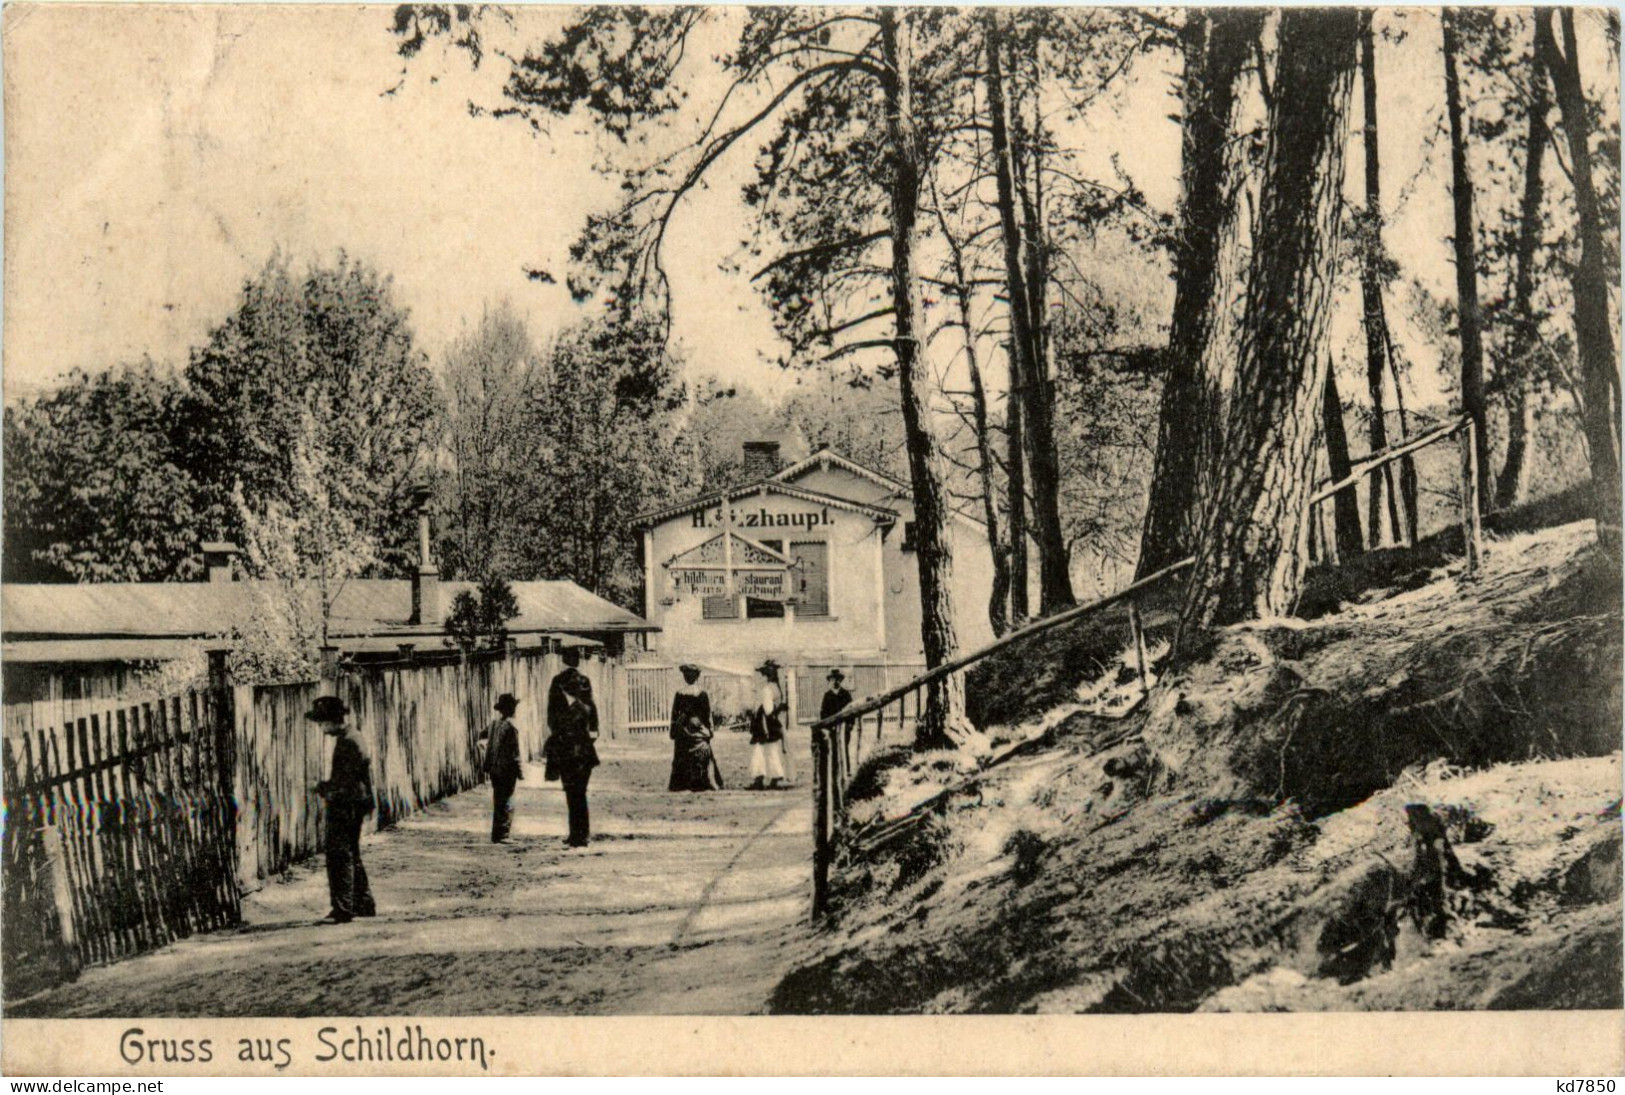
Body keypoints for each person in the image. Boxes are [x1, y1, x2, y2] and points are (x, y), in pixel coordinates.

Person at [309, 695, 376, 924]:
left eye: (321, 722)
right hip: (356, 802)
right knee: (351, 853)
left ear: (331, 720)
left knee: (339, 854)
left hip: (345, 804)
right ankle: (363, 903)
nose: (320, 727)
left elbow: (345, 781)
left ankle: (342, 909)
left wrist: (324, 789)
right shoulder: (353, 736)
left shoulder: (348, 742)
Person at [545, 648, 600, 847]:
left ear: (564, 659)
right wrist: (590, 733)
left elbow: (551, 717)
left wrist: (558, 737)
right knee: (580, 792)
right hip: (584, 750)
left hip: (566, 749)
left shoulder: (556, 682)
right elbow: (593, 711)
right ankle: (581, 834)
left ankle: (576, 834)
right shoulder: (585, 682)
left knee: (571, 791)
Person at [668, 664, 722, 792]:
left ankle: (682, 783)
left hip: (683, 730)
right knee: (704, 753)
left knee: (682, 752)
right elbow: (707, 714)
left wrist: (673, 730)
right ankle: (703, 781)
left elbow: (674, 715)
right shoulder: (702, 693)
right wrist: (710, 730)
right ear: (697, 676)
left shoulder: (679, 693)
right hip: (699, 729)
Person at [481, 693, 523, 843]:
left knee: (498, 800)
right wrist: (520, 772)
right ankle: (503, 834)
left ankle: (496, 834)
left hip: (494, 769)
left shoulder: (493, 724)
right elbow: (515, 752)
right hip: (507, 769)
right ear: (512, 709)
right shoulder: (512, 728)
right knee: (507, 801)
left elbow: (481, 736)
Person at [749, 659, 791, 790]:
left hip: (765, 723)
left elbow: (768, 710)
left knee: (760, 750)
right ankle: (775, 776)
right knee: (772, 749)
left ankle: (760, 778)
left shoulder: (767, 689)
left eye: (762, 674)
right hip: (772, 722)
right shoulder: (776, 688)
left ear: (765, 675)